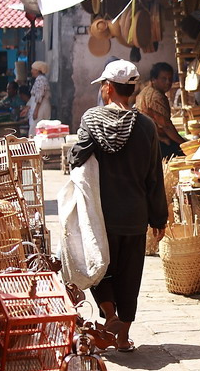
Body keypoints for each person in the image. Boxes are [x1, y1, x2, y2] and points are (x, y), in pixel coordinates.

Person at [68, 59, 167, 352]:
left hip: (101, 215)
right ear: (132, 90)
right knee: (130, 275)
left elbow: (77, 157)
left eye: (102, 85)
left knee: (99, 270)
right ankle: (122, 336)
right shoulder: (147, 127)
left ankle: (109, 315)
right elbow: (154, 176)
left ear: (109, 88)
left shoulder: (91, 119)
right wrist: (158, 217)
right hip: (134, 216)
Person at [134, 62, 185, 159]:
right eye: (164, 79)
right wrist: (184, 144)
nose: (168, 82)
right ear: (153, 80)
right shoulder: (156, 97)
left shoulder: (145, 91)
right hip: (154, 143)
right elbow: (167, 127)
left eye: (170, 79)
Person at [28, 60, 52, 136]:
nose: (31, 71)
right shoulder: (42, 79)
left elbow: (39, 96)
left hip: (40, 107)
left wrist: (36, 111)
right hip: (42, 106)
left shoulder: (40, 79)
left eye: (33, 69)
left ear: (37, 70)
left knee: (35, 127)